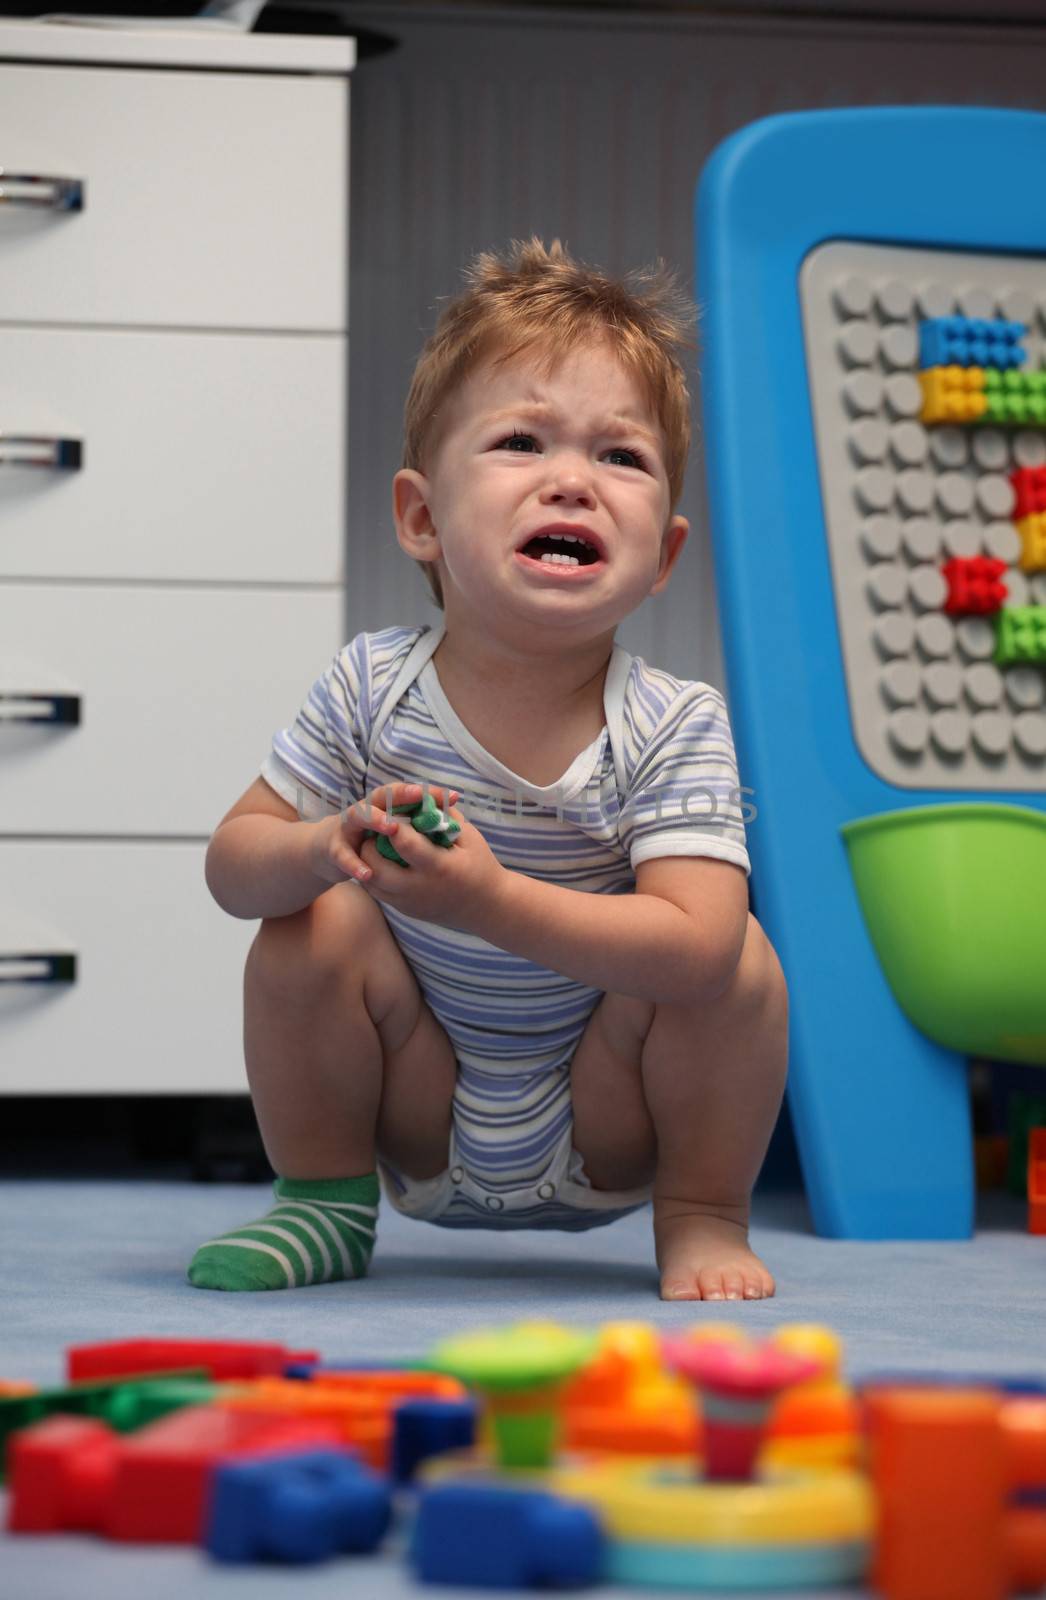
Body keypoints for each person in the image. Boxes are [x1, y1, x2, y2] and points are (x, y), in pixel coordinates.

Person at [188, 236, 789, 1301]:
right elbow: (233, 867)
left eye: (621, 457)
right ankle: (321, 1203)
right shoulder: (369, 688)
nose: (572, 480)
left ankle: (702, 1214)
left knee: (739, 959)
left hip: (607, 1111)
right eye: (522, 441)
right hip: (419, 1101)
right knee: (308, 917)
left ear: (662, 557)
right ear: (421, 517)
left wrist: (491, 899)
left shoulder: (671, 720)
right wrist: (319, 848)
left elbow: (693, 952)